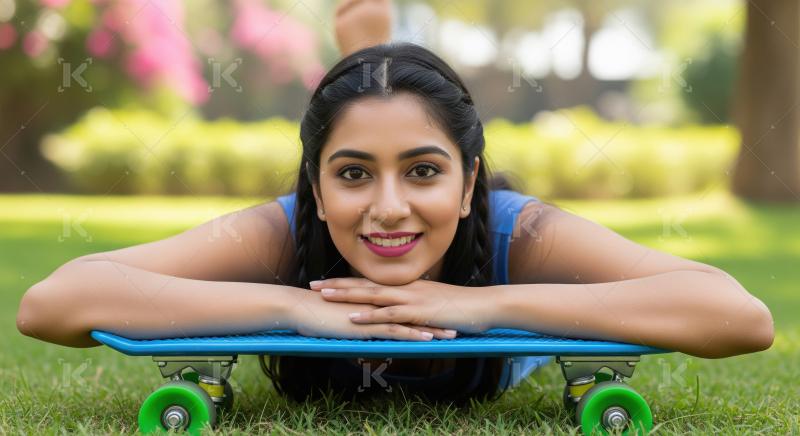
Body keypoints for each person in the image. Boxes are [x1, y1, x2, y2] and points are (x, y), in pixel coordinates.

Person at [17, 0, 773, 407]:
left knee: (383, 77)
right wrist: (294, 311)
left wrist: (481, 306)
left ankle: (372, 37)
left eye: (422, 171)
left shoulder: (521, 232)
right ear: (314, 187)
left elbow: (738, 316)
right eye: (351, 175)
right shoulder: (282, 232)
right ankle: (370, 39)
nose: (388, 209)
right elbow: (55, 303)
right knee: (376, 78)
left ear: (470, 181)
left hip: (490, 258)